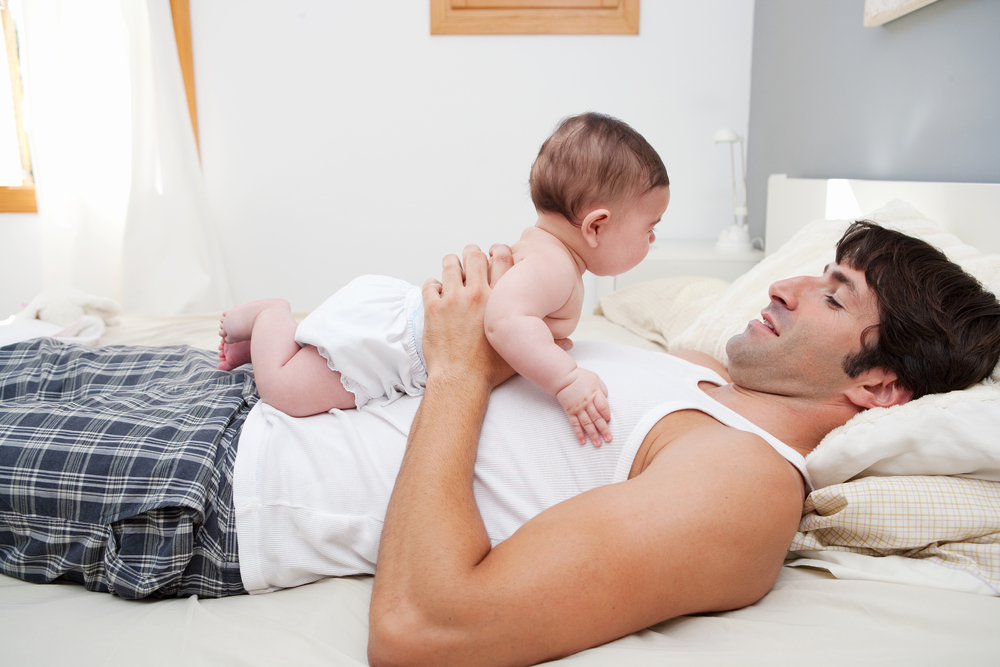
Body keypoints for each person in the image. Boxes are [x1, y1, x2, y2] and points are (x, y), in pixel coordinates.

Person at [1, 223, 998, 666]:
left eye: (832, 295)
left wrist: (455, 366)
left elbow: (425, 629)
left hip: (220, 480)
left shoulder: (745, 485)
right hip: (222, 387)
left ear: (878, 386)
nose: (782, 288)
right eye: (811, 271)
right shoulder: (689, 372)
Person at [215, 112, 670, 445]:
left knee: (301, 365)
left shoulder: (547, 253)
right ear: (596, 226)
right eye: (650, 226)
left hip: (408, 328)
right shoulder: (556, 269)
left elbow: (516, 323)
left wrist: (541, 347)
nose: (652, 238)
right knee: (284, 389)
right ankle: (268, 316)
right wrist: (566, 380)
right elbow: (505, 323)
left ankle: (254, 343)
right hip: (399, 344)